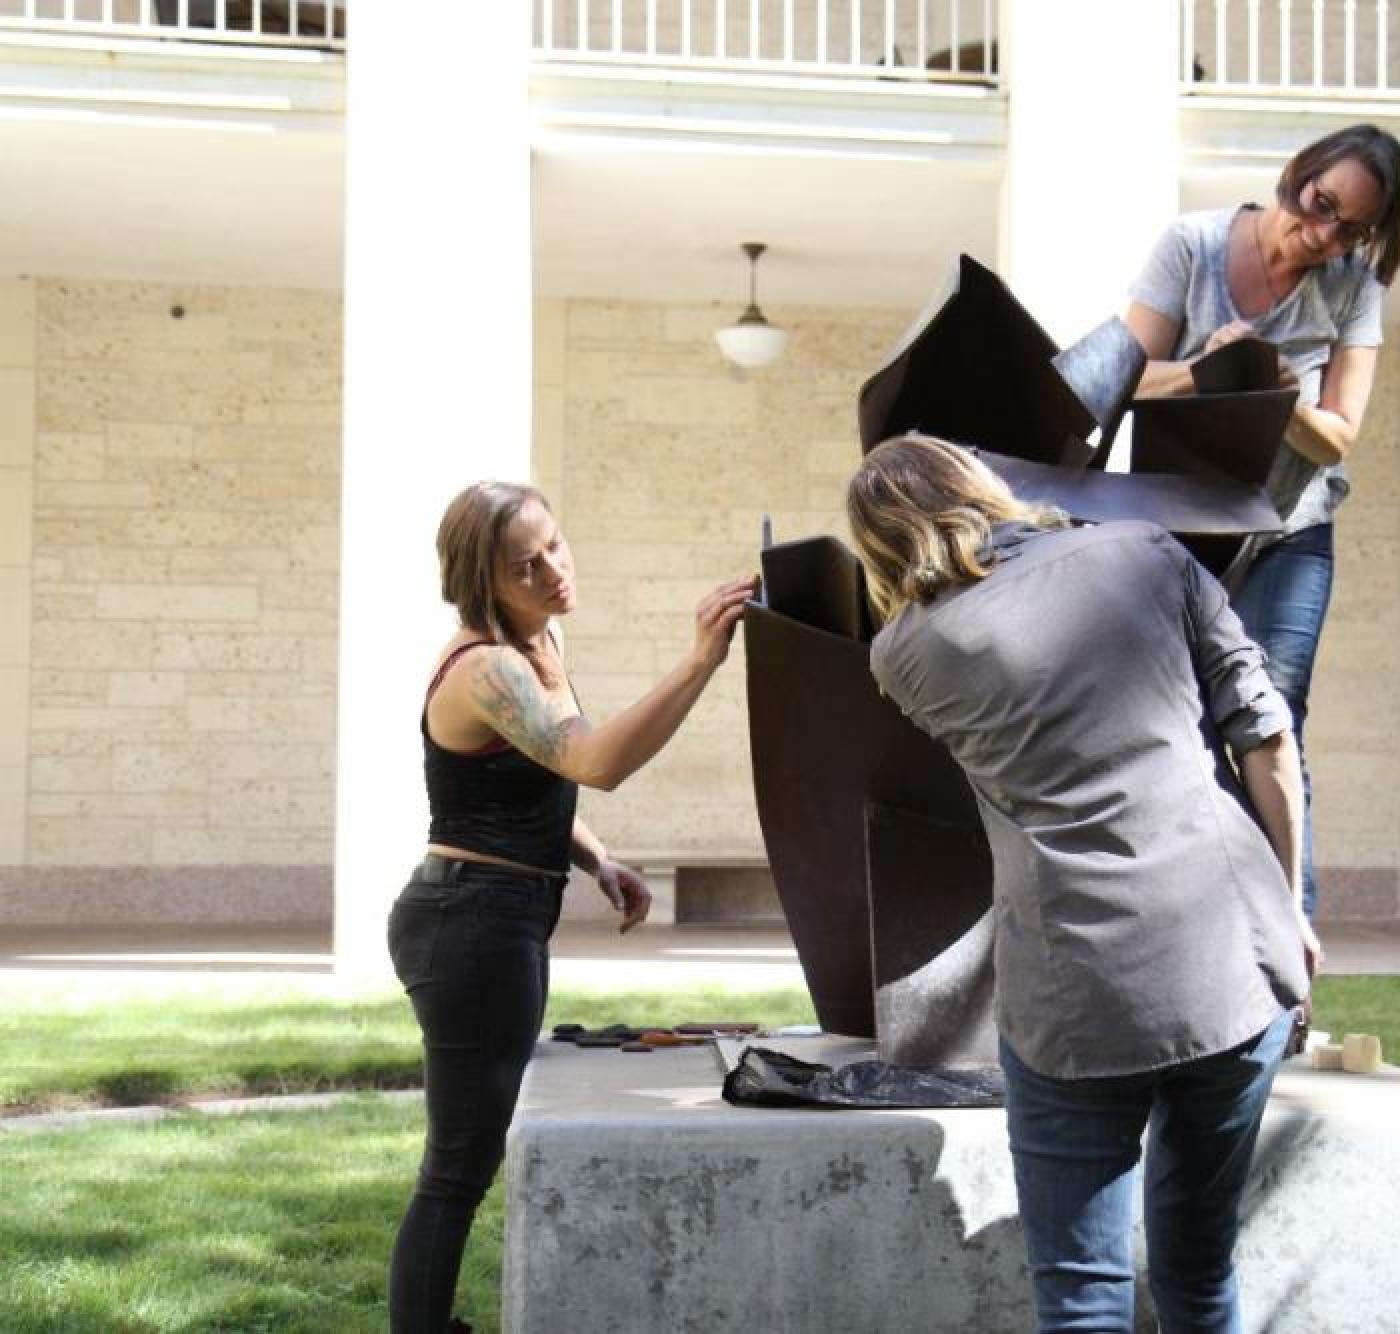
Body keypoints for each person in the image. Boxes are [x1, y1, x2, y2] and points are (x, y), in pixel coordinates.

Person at [849, 434, 1320, 1332]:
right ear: (983, 487)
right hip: (1234, 958)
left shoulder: (903, 655)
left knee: (1080, 1297)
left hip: (1073, 993)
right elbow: (1267, 740)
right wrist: (1290, 907)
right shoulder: (1145, 551)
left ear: (882, 546)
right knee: (1199, 1264)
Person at [386, 480, 757, 1334]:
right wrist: (699, 660)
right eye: (527, 565)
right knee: (455, 1170)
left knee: (463, 1159)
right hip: (470, 923)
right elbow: (591, 760)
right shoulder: (488, 667)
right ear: (486, 581)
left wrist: (595, 857)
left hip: (499, 910)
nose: (554, 570)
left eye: (555, 544)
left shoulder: (535, 640)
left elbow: (535, 778)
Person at [1123, 123, 1400, 919]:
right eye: (1320, 206)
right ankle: (1196, 937)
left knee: (1272, 717)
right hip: (1181, 528)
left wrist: (1278, 392)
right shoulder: (1192, 245)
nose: (1323, 236)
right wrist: (1211, 371)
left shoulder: (1354, 290)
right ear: (1297, 176)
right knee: (1173, 724)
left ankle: (1290, 954)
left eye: (1350, 228)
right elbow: (1125, 379)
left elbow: (1338, 434)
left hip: (1289, 530)